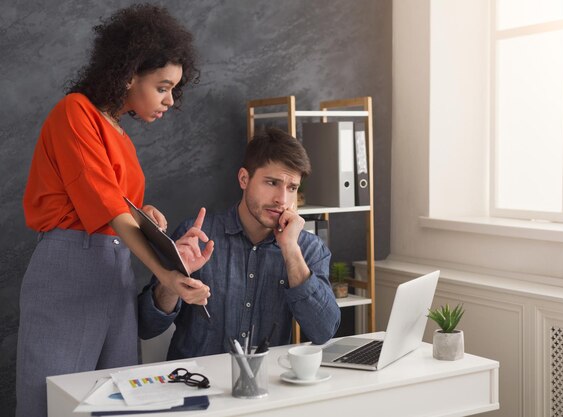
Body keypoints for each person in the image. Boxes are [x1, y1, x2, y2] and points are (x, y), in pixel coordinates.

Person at [17, 5, 211, 417]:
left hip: (115, 276)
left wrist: (145, 213)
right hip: (68, 273)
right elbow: (109, 212)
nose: (170, 100)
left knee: (116, 405)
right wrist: (168, 276)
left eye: (174, 89)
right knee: (53, 403)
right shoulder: (75, 112)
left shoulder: (117, 130)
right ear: (129, 73)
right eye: (162, 87)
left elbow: (113, 205)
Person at [138, 128, 341, 359]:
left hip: (266, 386)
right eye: (272, 182)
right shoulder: (196, 236)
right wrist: (171, 283)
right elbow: (147, 326)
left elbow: (324, 331)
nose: (282, 199)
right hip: (195, 383)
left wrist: (291, 250)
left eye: (292, 188)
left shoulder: (308, 249)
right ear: (244, 178)